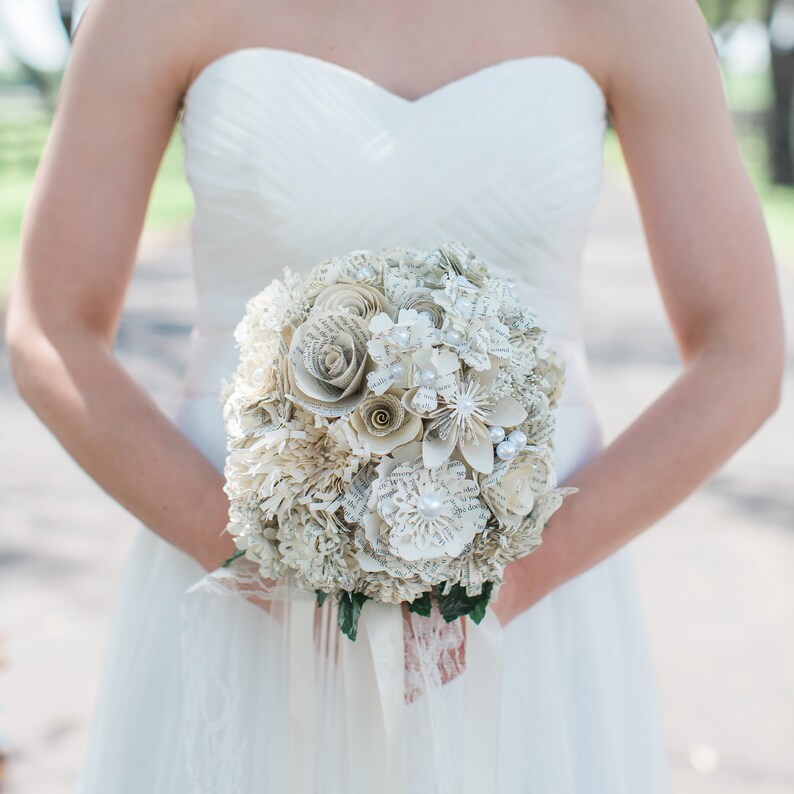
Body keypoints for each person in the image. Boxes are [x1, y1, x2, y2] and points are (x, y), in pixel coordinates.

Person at [5, 0, 785, 791]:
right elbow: (52, 327)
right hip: (236, 595)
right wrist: (265, 565)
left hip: (530, 609)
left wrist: (511, 586)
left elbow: (742, 354)